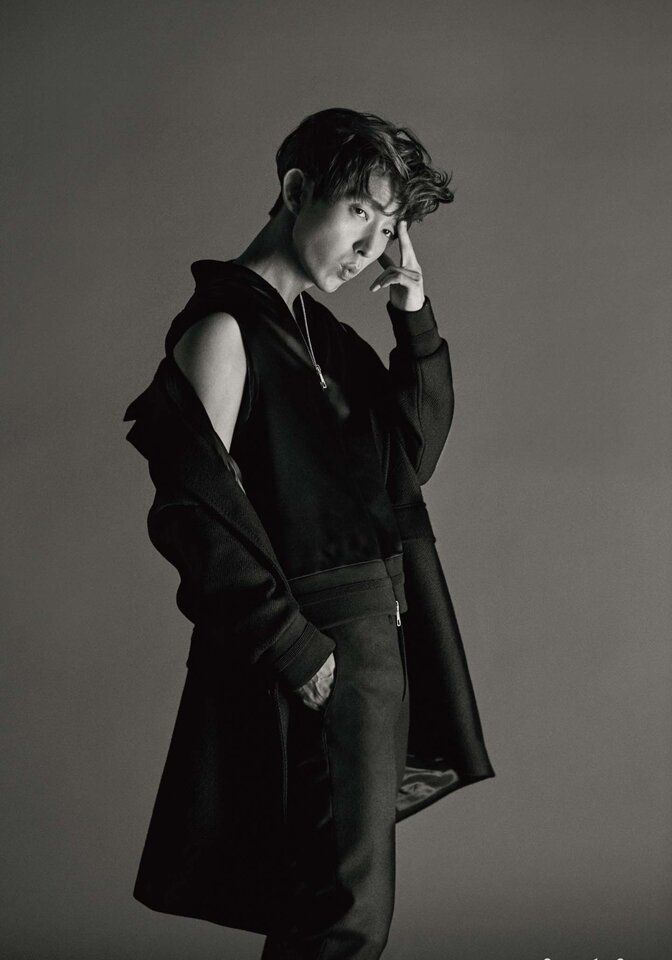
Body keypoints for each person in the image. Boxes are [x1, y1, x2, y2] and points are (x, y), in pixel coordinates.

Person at [123, 107, 495, 959]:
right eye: (359, 211)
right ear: (296, 191)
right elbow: (193, 515)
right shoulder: (223, 331)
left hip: (376, 634)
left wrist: (414, 316)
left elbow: (410, 455)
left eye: (388, 227)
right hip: (319, 640)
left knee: (331, 904)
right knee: (343, 913)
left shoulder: (316, 333)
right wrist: (297, 651)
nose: (370, 246)